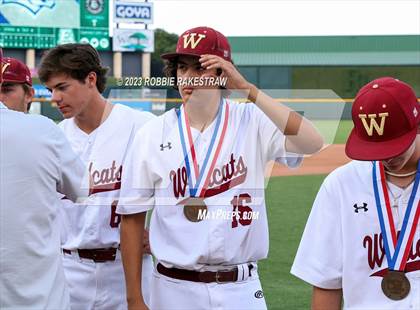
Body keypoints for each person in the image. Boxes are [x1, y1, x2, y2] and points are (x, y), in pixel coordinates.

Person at [117, 26, 324, 310]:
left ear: (222, 73)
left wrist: (248, 89)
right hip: (172, 288)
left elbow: (312, 142)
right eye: (182, 67)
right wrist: (134, 299)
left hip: (240, 289)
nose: (188, 78)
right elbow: (131, 217)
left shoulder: (253, 120)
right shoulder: (152, 134)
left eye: (200, 68)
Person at [38, 43, 154, 310]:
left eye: (62, 87)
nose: (54, 98)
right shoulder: (55, 137)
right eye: (50, 89)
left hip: (127, 270)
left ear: (91, 79)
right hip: (68, 269)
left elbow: (180, 190)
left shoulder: (142, 126)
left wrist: (159, 233)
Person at [291, 77, 419, 309]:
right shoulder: (341, 184)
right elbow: (326, 281)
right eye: (375, 146)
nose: (387, 157)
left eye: (394, 145)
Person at [0, 47, 87, 309]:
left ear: (29, 94)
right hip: (38, 298)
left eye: (8, 89)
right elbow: (83, 189)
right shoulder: (44, 130)